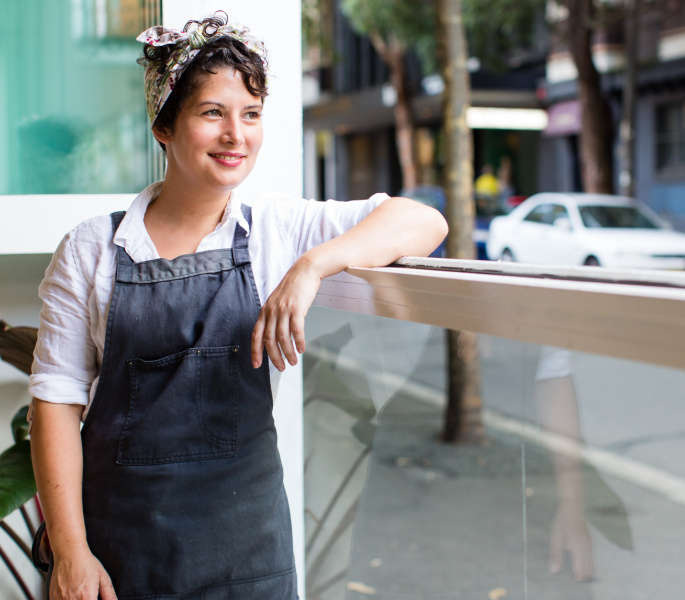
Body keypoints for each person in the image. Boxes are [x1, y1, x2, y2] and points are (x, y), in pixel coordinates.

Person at [27, 11, 447, 600]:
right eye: (212, 114)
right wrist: (70, 554)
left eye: (250, 114)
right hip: (119, 558)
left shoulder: (277, 230)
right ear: (164, 126)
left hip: (248, 558)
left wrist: (313, 265)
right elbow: (54, 400)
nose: (236, 136)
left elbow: (422, 220)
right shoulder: (92, 248)